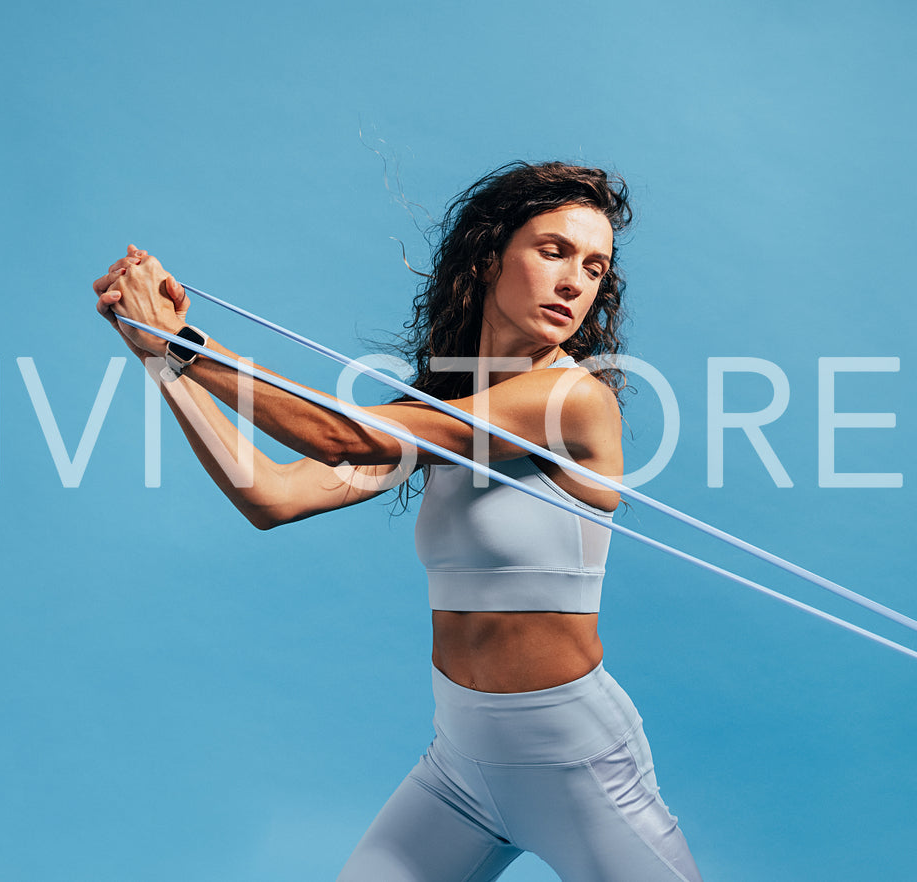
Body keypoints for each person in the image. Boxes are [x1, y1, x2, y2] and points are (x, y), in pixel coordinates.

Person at [92, 161, 702, 882]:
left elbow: (345, 436)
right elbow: (270, 496)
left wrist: (185, 341)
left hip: (574, 763)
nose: (574, 282)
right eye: (552, 251)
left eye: (594, 267)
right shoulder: (441, 409)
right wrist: (162, 363)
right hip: (460, 767)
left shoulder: (570, 399)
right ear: (486, 258)